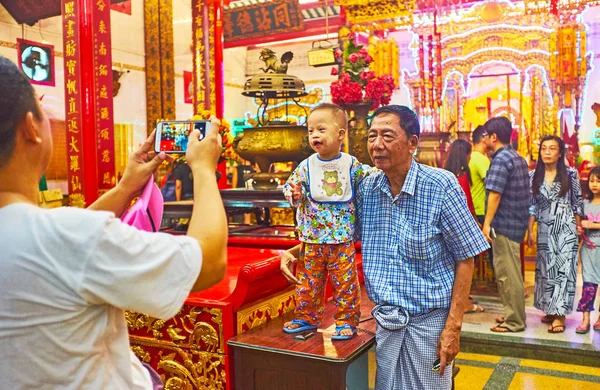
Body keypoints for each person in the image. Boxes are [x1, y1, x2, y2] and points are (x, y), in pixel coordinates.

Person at [0, 56, 228, 388]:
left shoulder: (49, 236)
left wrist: (124, 189)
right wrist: (205, 169)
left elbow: (54, 248)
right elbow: (208, 262)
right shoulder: (67, 238)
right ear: (29, 128)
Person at [355, 105, 489, 388]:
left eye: (388, 136)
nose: (377, 145)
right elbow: (340, 234)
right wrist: (296, 252)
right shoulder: (368, 188)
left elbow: (467, 258)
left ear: (413, 143)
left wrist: (453, 328)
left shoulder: (441, 186)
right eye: (372, 136)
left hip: (430, 325)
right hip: (388, 323)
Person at [279, 103, 371, 340]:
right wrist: (295, 194)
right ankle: (306, 317)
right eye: (310, 131)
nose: (315, 135)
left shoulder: (351, 164)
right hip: (312, 239)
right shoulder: (306, 165)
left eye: (321, 129)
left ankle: (347, 320)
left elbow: (369, 181)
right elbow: (290, 189)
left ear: (341, 134)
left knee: (346, 283)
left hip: (341, 239)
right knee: (309, 281)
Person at [527, 136, 583, 333]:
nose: (547, 152)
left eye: (552, 148)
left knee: (561, 272)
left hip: (565, 229)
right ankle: (550, 309)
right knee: (545, 271)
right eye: (544, 148)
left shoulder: (571, 174)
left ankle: (559, 316)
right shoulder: (533, 175)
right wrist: (530, 230)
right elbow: (532, 206)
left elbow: (577, 202)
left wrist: (578, 227)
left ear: (560, 153)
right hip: (544, 228)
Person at [482, 116, 530, 333]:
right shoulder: (517, 157)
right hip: (516, 222)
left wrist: (486, 224)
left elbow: (495, 194)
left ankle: (515, 322)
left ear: (494, 137)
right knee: (510, 273)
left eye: (486, 135)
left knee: (507, 275)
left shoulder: (501, 160)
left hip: (504, 224)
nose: (484, 140)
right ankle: (513, 313)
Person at [444, 139, 485, 314]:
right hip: (461, 226)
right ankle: (463, 303)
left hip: (447, 225)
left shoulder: (446, 173)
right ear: (465, 155)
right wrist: (476, 223)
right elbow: (467, 203)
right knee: (466, 263)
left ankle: (461, 298)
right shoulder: (462, 175)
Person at [575, 166, 600, 334]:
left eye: (599, 181)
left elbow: (589, 223)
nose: (595, 184)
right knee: (588, 284)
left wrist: (591, 225)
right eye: (592, 181)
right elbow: (579, 223)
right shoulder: (584, 204)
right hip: (588, 250)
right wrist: (580, 229)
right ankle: (585, 319)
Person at [469, 125, 490, 226]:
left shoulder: (471, 157)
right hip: (481, 210)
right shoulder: (481, 159)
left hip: (474, 208)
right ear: (483, 138)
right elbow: (491, 185)